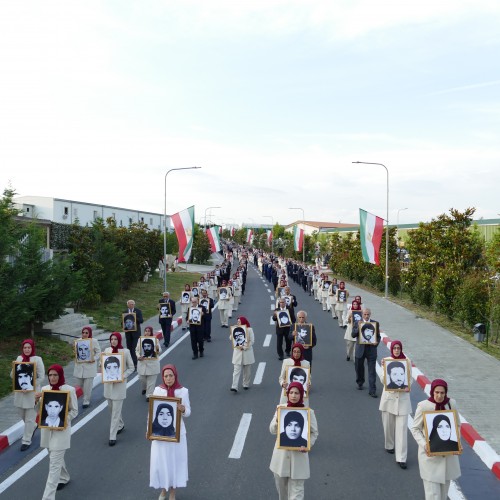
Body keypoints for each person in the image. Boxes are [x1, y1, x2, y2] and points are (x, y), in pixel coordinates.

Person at [411, 379, 461, 500]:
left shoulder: (451, 404)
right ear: (432, 391)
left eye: (442, 393)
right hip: (430, 459)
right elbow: (415, 429)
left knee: (443, 496)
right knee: (433, 496)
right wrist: (424, 445)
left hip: (448, 458)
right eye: (437, 392)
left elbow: (457, 425)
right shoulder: (424, 406)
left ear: (446, 393)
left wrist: (457, 442)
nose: (439, 396)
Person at [269, 382, 318, 500]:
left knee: (297, 493)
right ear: (287, 393)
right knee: (283, 493)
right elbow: (272, 430)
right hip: (280, 459)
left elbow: (314, 432)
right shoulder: (280, 409)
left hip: (299, 460)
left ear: (301, 394)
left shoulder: (308, 412)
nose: (293, 395)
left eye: (297, 393)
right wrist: (277, 421)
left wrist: (308, 445)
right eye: (291, 392)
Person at [36, 364, 78, 499]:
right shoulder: (44, 389)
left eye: (55, 375)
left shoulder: (69, 390)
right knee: (54, 457)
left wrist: (63, 419)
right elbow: (40, 411)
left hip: (61, 433)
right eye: (50, 375)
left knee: (53, 465)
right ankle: (64, 477)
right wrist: (36, 400)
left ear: (60, 375)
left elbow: (75, 411)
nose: (52, 378)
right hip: (47, 432)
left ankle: (47, 497)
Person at [150, 365, 191, 500]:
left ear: (175, 376)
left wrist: (183, 409)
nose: (168, 379)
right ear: (163, 377)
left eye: (171, 376)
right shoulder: (157, 390)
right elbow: (151, 413)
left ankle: (172, 492)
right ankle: (163, 489)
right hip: (159, 435)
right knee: (161, 463)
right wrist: (148, 431)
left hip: (177, 435)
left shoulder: (183, 392)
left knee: (175, 463)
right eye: (166, 376)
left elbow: (188, 413)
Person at [379, 341, 412, 469]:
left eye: (399, 348)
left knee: (402, 430)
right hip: (389, 399)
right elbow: (383, 380)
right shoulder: (386, 361)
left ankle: (401, 458)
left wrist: (408, 386)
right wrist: (383, 369)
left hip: (403, 400)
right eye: (395, 348)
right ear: (391, 349)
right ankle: (389, 444)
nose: (397, 350)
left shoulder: (406, 361)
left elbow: (410, 379)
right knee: (388, 426)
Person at [10, 339, 45, 451]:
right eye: (25, 347)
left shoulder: (37, 359)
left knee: (30, 418)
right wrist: (14, 370)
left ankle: (26, 441)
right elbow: (13, 375)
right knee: (22, 415)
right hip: (20, 394)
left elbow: (41, 377)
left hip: (32, 394)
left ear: (32, 348)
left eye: (29, 347)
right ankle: (33, 426)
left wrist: (31, 385)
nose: (27, 349)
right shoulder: (19, 359)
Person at [103, 332, 135, 446]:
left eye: (115, 339)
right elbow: (102, 366)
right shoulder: (107, 351)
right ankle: (120, 424)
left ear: (119, 340)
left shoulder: (125, 352)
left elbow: (131, 368)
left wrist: (122, 376)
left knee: (116, 412)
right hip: (108, 387)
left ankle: (112, 436)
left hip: (119, 387)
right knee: (112, 410)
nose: (113, 341)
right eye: (111, 339)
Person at [352, 308, 381, 397]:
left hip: (371, 350)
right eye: (365, 314)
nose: (366, 316)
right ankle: (360, 382)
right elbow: (353, 335)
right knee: (359, 368)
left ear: (370, 314)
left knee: (372, 371)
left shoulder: (375, 323)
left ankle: (372, 390)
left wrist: (376, 343)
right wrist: (358, 328)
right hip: (360, 349)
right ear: (362, 314)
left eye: (368, 314)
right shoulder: (357, 323)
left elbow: (378, 337)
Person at [73, 326, 101, 409]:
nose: (84, 334)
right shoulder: (78, 341)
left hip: (89, 367)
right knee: (80, 384)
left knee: (88, 385)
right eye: (83, 332)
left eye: (86, 333)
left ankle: (86, 400)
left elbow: (98, 352)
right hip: (79, 367)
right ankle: (86, 396)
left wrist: (94, 359)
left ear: (89, 333)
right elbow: (76, 353)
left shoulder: (94, 341)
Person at [230, 316, 255, 392]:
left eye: (239, 321)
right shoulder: (235, 329)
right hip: (237, 353)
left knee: (247, 371)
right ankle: (234, 386)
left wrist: (244, 347)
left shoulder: (249, 330)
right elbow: (231, 338)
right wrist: (234, 330)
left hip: (247, 352)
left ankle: (245, 384)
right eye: (237, 321)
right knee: (236, 370)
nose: (238, 323)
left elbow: (252, 341)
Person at [137, 326, 161, 400]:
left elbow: (159, 351)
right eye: (146, 331)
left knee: (151, 381)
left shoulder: (155, 340)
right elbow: (137, 350)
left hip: (153, 365)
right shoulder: (140, 340)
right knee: (142, 378)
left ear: (151, 332)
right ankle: (145, 388)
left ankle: (149, 395)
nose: (147, 332)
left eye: (148, 331)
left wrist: (156, 347)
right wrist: (138, 357)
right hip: (142, 364)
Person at [122, 299, 144, 370]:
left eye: (132, 304)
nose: (131, 305)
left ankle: (135, 363)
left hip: (136, 333)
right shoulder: (125, 312)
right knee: (129, 348)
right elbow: (122, 321)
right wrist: (123, 326)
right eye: (130, 304)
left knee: (134, 348)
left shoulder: (138, 311)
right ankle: (130, 362)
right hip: (128, 333)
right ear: (127, 305)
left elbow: (141, 320)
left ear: (134, 305)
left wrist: (134, 318)